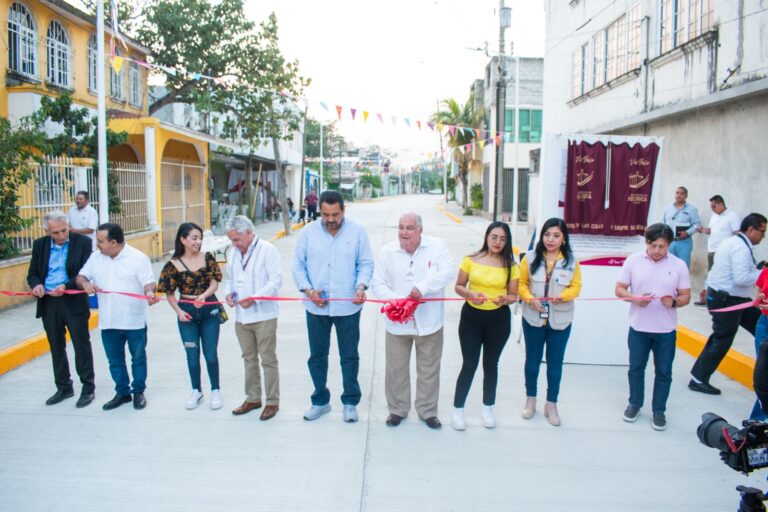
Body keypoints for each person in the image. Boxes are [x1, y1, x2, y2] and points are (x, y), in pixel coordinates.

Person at [292, 190, 374, 423]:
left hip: (348, 307)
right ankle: (320, 401)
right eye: (325, 214)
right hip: (315, 307)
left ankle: (350, 402)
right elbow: (298, 266)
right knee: (317, 356)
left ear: (343, 211)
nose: (330, 219)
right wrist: (309, 290)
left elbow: (366, 263)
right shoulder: (308, 233)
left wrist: (361, 287)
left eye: (335, 214)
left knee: (349, 356)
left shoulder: (357, 231)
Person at [370, 213, 454, 429]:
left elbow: (447, 272)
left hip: (430, 322)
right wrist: (398, 302)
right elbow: (377, 284)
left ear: (420, 230)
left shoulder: (437, 247)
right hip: (398, 323)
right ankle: (397, 410)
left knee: (428, 370)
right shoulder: (387, 251)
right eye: (400, 228)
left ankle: (428, 412)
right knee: (396, 370)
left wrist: (422, 288)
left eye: (409, 228)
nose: (404, 233)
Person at [615, 223, 691, 431]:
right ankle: (635, 404)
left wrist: (674, 302)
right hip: (639, 327)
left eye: (662, 246)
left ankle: (659, 411)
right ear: (646, 243)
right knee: (636, 369)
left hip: (666, 330)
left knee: (664, 372)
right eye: (653, 246)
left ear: (669, 246)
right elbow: (619, 289)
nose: (657, 251)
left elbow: (686, 296)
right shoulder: (633, 261)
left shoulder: (678, 265)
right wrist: (634, 298)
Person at [76, 223, 159, 411]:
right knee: (115, 361)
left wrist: (149, 293)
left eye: (100, 241)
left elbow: (149, 282)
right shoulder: (95, 258)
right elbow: (80, 277)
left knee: (137, 359)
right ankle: (122, 393)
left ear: (113, 242)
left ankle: (138, 392)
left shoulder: (138, 258)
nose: (97, 245)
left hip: (134, 321)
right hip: (108, 322)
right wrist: (86, 284)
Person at [690, 213, 767, 395]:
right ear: (750, 229)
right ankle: (698, 379)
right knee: (722, 339)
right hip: (727, 300)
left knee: (760, 326)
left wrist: (759, 268)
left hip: (734, 299)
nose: (763, 237)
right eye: (762, 232)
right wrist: (764, 275)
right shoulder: (739, 247)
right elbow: (741, 278)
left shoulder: (733, 242)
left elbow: (721, 269)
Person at [452, 221, 519, 431]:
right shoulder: (470, 260)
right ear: (487, 237)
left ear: (507, 241)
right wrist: (471, 294)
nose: (498, 242)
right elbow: (459, 286)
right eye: (494, 237)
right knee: (469, 364)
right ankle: (458, 410)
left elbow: (514, 295)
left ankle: (488, 409)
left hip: (498, 320)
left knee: (491, 365)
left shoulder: (511, 266)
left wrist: (505, 300)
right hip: (471, 317)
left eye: (502, 239)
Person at [27, 210, 95, 408]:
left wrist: (66, 285)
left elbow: (84, 273)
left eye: (64, 230)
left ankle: (88, 388)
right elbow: (32, 273)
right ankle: (64, 387)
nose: (61, 235)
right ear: (47, 231)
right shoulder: (39, 245)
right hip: (49, 302)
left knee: (81, 344)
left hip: (72, 300)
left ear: (68, 226)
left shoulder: (81, 242)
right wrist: (37, 285)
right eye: (55, 233)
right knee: (56, 345)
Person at [518, 218, 582, 426]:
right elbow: (521, 284)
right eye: (547, 235)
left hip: (560, 321)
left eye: (556, 235)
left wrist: (563, 295)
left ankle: (551, 405)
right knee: (532, 362)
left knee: (555, 365)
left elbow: (576, 287)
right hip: (533, 317)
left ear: (563, 238)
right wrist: (530, 299)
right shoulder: (530, 258)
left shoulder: (572, 261)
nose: (550, 239)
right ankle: (530, 400)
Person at [157, 223, 224, 411]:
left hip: (209, 308)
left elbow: (215, 283)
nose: (198, 241)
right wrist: (179, 312)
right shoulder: (172, 265)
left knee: (210, 354)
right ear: (183, 240)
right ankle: (196, 390)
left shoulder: (208, 258)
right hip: (186, 311)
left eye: (200, 238)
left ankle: (216, 390)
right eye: (194, 238)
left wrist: (204, 295)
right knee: (192, 354)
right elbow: (169, 294)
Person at [224, 215, 282, 421]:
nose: (234, 244)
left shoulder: (268, 250)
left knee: (268, 359)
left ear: (248, 233)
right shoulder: (233, 253)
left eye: (237, 239)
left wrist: (255, 298)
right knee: (248, 359)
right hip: (241, 317)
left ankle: (272, 402)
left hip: (264, 315)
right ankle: (253, 397)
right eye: (231, 240)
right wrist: (228, 294)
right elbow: (229, 279)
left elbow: (276, 281)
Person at [694, 195, 740, 305]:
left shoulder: (732, 216)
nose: (712, 209)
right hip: (712, 249)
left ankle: (715, 299)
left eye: (714, 206)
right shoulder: (714, 215)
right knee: (711, 274)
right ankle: (707, 298)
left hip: (724, 252)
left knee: (720, 276)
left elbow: (737, 233)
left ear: (720, 204)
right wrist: (703, 230)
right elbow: (711, 230)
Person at [661, 186, 701, 268]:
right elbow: (662, 224)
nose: (679, 195)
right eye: (677, 193)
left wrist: (687, 232)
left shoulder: (692, 209)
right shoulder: (668, 208)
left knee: (683, 267)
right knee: (667, 267)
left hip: (684, 243)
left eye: (682, 193)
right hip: (669, 242)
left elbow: (697, 224)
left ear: (686, 196)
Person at [751, 268, 768, 420]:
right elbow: (758, 297)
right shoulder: (766, 272)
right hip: (764, 324)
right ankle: (757, 422)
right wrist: (760, 301)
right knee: (763, 374)